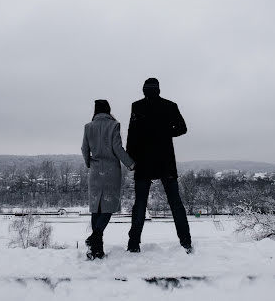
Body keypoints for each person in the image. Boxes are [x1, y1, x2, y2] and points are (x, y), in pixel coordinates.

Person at [126, 78, 193, 253]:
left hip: (143, 162)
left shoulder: (137, 106)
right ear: (158, 90)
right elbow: (182, 128)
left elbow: (131, 134)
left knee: (140, 204)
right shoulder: (170, 106)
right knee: (175, 203)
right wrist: (165, 132)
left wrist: (130, 160)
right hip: (166, 162)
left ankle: (133, 243)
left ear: (144, 90)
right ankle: (186, 242)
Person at [81, 99, 135, 259]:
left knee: (96, 208)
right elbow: (117, 148)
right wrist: (130, 164)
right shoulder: (114, 125)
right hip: (111, 171)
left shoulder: (88, 127)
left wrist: (89, 163)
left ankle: (96, 250)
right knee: (109, 207)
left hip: (95, 171)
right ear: (108, 110)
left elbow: (85, 148)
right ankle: (95, 238)